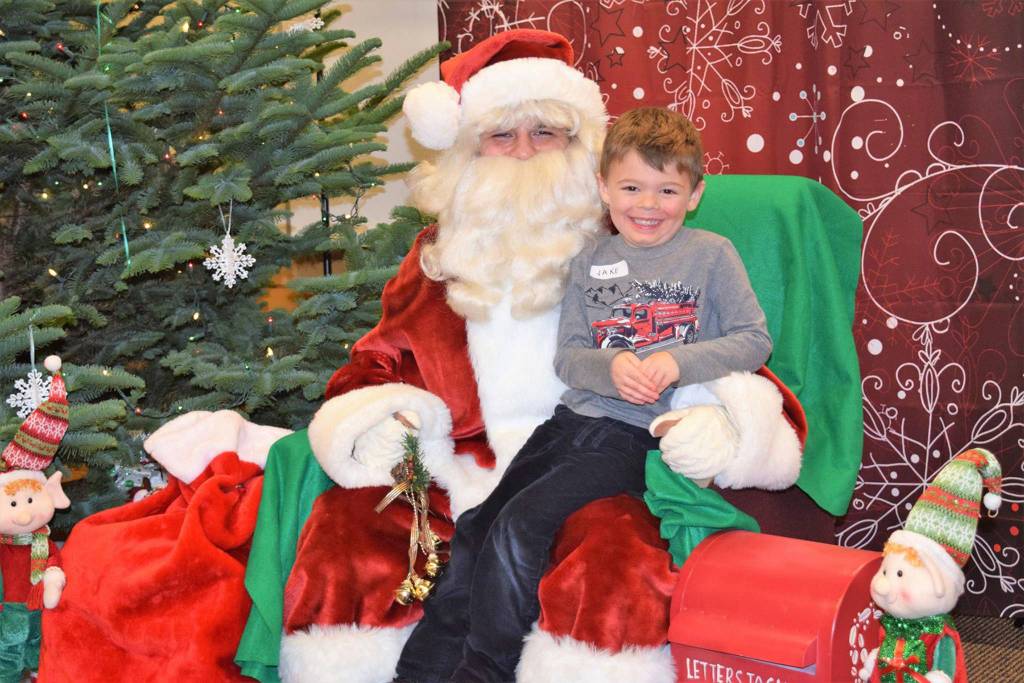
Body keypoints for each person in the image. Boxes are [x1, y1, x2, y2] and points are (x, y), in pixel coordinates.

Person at [237, 29, 806, 683]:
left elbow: (743, 353)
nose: (523, 152)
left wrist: (719, 421)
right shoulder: (439, 253)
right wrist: (384, 417)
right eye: (501, 135)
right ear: (467, 147)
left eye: (546, 133)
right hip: (472, 458)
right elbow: (381, 358)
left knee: (605, 558)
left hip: (616, 442)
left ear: (581, 149)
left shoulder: (641, 237)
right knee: (356, 530)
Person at [394, 106, 773, 683]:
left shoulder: (711, 255)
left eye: (667, 189)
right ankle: (421, 671)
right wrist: (610, 364)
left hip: (630, 437)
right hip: (567, 426)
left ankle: (483, 671)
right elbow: (569, 357)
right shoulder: (591, 258)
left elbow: (753, 341)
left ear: (694, 193)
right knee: (477, 526)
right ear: (604, 188)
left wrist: (674, 361)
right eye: (631, 187)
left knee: (521, 525)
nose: (648, 204)